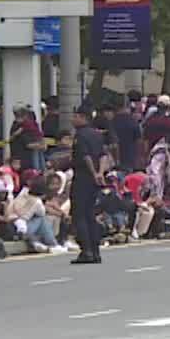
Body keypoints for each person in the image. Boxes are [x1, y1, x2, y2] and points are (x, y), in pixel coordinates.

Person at [69, 108, 109, 264]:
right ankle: (95, 250)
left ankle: (86, 251)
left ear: (82, 117)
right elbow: (103, 155)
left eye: (75, 116)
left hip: (83, 177)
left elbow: (85, 156)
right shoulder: (97, 134)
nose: (73, 120)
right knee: (91, 215)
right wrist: (101, 173)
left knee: (80, 214)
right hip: (95, 179)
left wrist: (94, 173)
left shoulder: (81, 135)